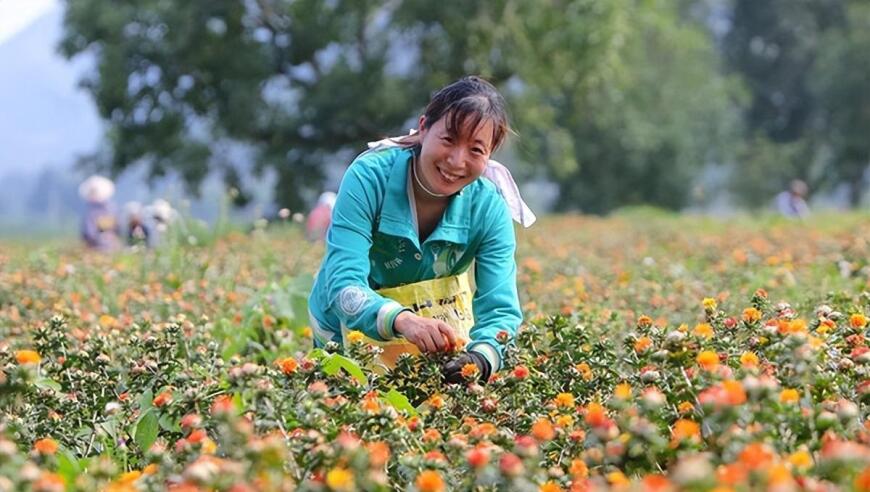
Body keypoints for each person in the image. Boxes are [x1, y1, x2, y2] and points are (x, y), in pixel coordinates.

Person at [307, 76, 535, 384]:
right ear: (424, 127)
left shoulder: (489, 207)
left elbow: (501, 310)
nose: (457, 161)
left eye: (476, 149)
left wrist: (480, 359)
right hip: (348, 335)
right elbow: (343, 283)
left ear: (490, 155)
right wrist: (403, 320)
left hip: (434, 343)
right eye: (449, 139)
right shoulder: (369, 178)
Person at [79, 175, 121, 252]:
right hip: (95, 244)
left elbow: (116, 226)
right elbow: (88, 231)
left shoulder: (110, 208)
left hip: (108, 241)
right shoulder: (90, 210)